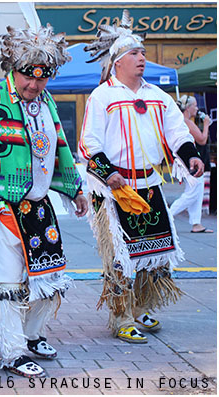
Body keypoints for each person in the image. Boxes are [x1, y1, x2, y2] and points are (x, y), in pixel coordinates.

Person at [0, 24, 87, 377]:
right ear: (11, 69)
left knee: (48, 278)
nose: (33, 84)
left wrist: (75, 188)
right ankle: (12, 350)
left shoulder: (45, 101)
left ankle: (31, 336)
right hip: (1, 206)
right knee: (8, 281)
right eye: (26, 76)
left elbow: (60, 146)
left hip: (39, 205)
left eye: (42, 78)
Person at [78, 10, 204, 344]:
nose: (142, 58)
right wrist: (110, 175)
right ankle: (120, 315)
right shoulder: (103, 96)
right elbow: (88, 142)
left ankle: (141, 307)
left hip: (149, 184)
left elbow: (177, 131)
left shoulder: (158, 96)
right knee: (120, 256)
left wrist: (190, 155)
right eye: (134, 53)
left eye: (143, 53)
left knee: (154, 252)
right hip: (113, 188)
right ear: (117, 60)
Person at [170, 95, 213, 233]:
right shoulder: (187, 122)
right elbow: (202, 139)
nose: (196, 108)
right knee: (193, 192)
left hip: (188, 161)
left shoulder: (183, 121)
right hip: (190, 161)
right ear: (188, 108)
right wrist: (206, 125)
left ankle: (196, 223)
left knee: (197, 191)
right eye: (194, 106)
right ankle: (168, 215)